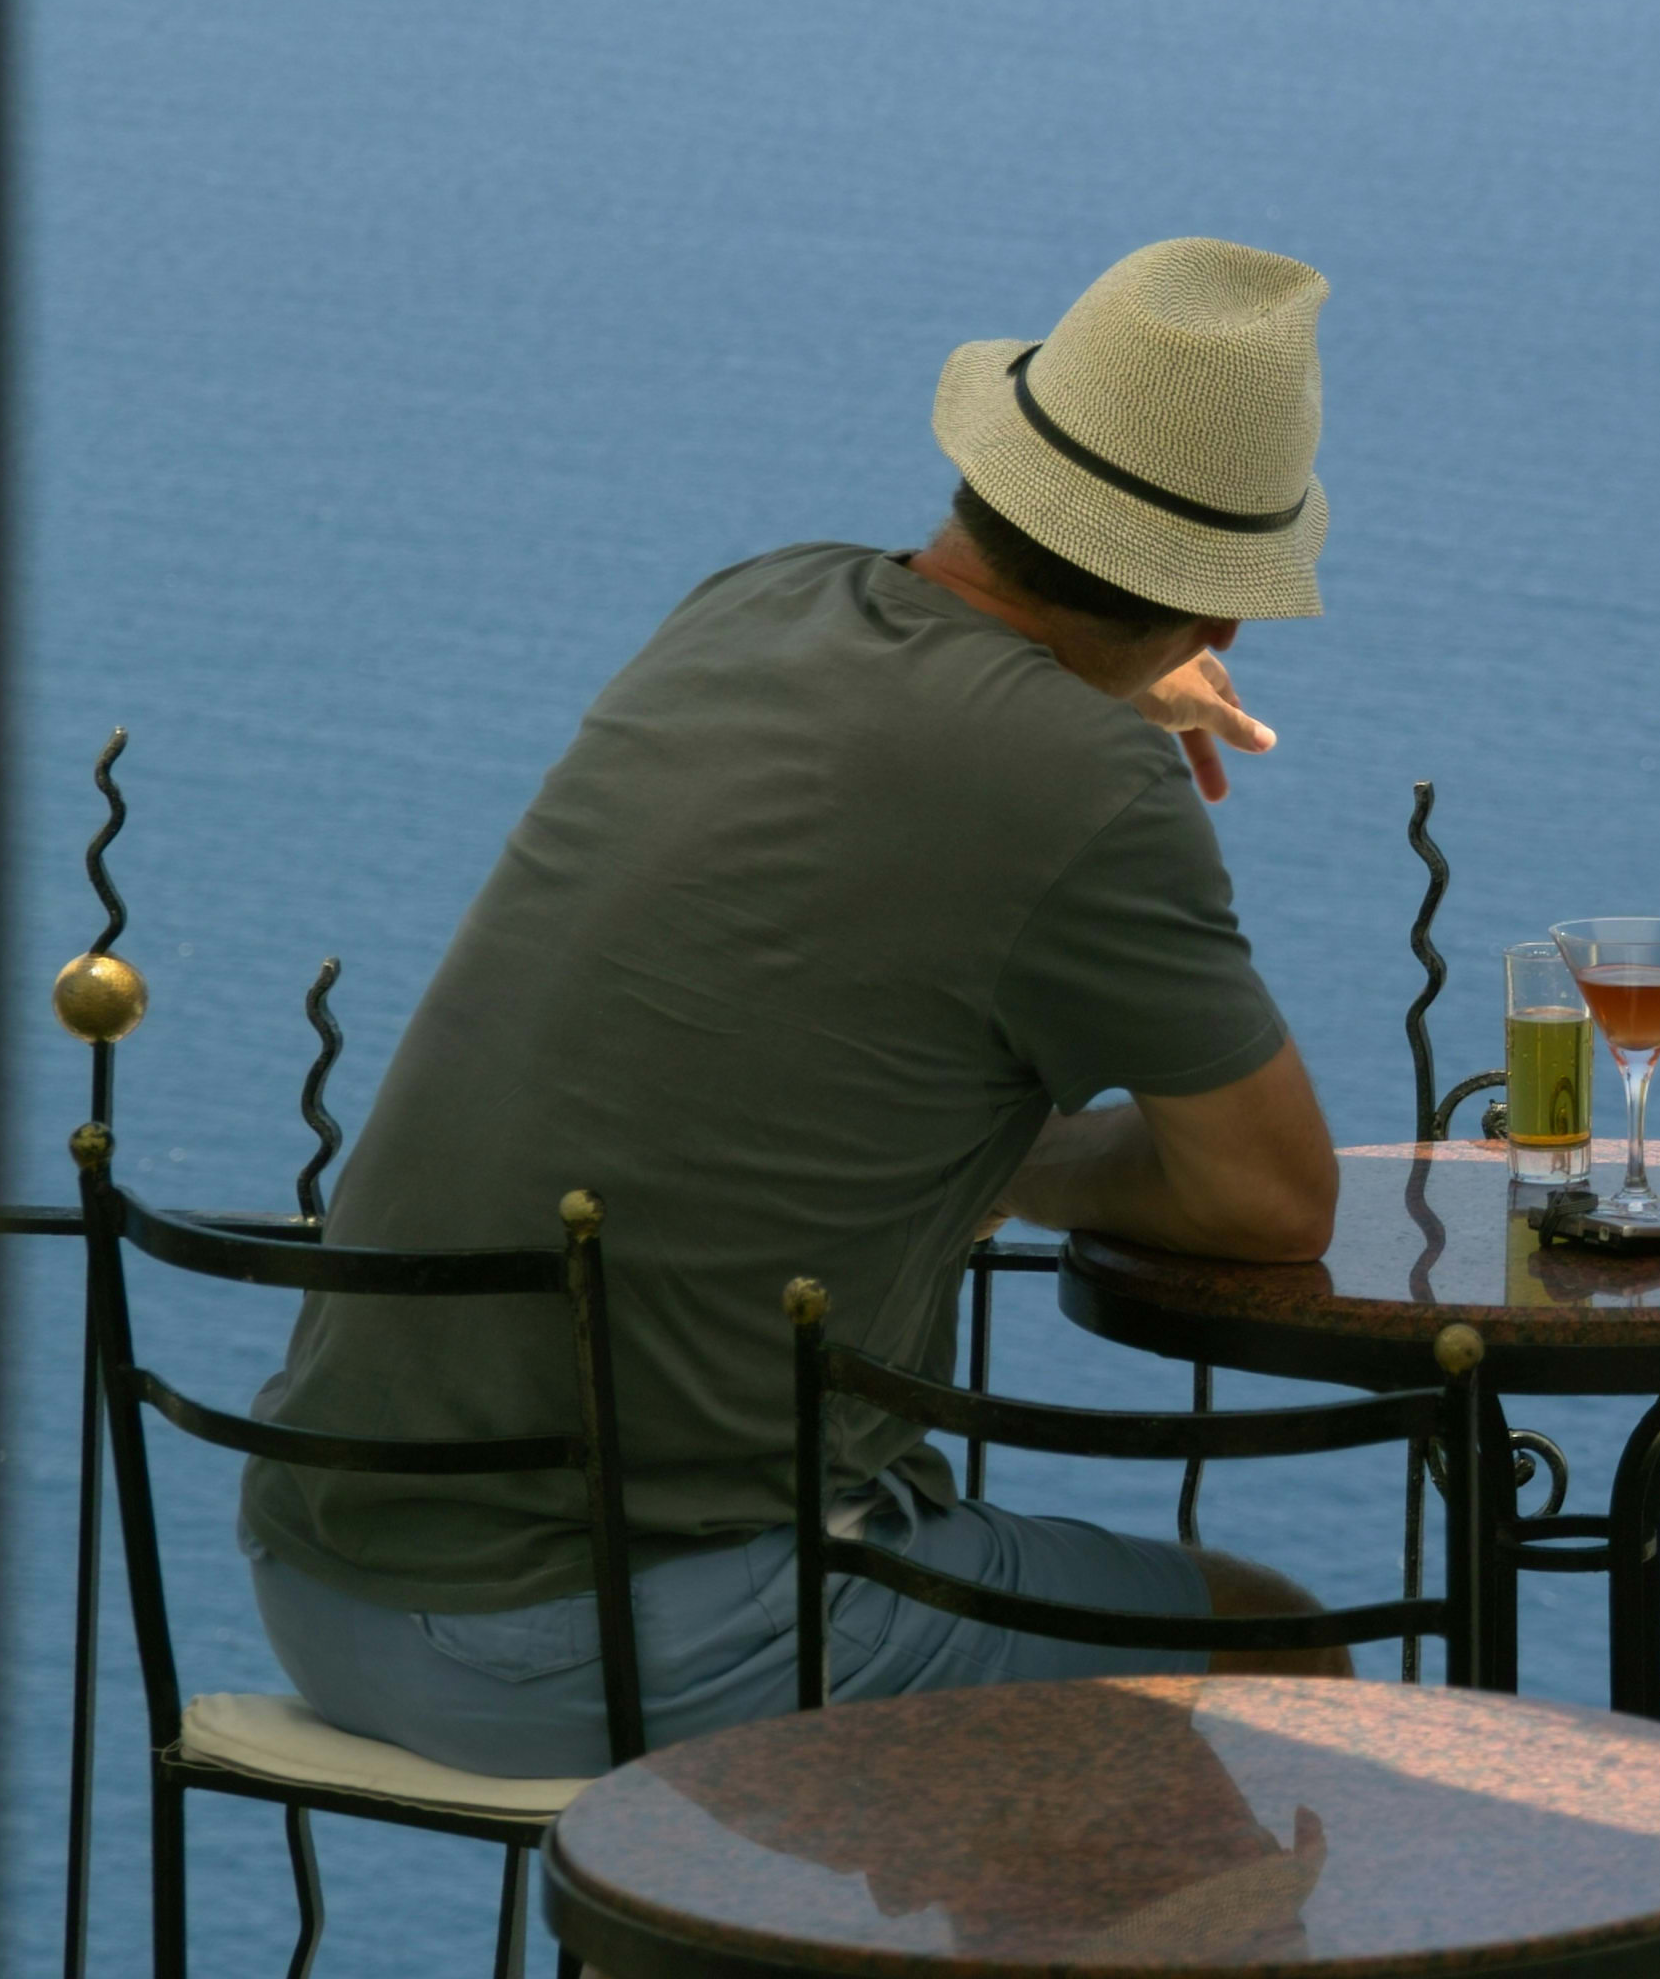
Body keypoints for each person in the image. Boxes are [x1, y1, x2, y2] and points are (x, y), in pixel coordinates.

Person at [242, 237, 1355, 1778]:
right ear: (1219, 613)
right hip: (591, 1636)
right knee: (1278, 1647)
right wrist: (1021, 1163)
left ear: (998, 473)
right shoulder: (1082, 782)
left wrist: (1093, 699)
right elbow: (1271, 1200)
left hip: (324, 1576)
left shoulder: (757, 604)